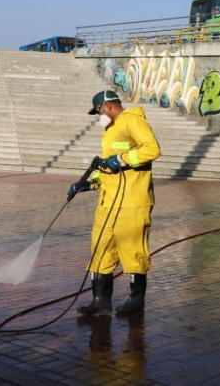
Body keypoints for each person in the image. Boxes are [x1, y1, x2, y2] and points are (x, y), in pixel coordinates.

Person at [67, 89, 161, 315]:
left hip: (132, 202)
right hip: (108, 204)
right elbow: (109, 169)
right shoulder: (110, 131)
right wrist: (88, 184)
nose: (98, 116)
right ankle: (100, 301)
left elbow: (152, 149)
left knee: (133, 251)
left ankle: (136, 300)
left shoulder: (132, 121)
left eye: (98, 111)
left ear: (108, 106)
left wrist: (121, 159)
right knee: (101, 249)